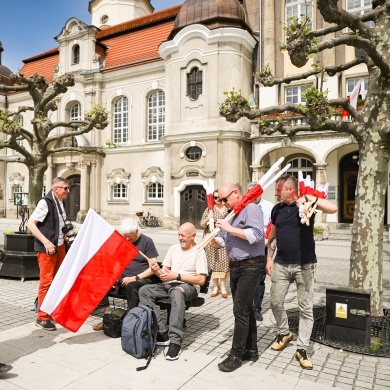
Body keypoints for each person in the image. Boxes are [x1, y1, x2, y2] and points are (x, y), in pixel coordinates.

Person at [267, 174, 337, 370]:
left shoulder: (307, 206)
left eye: (279, 189)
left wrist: (310, 198)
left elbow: (333, 208)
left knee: (305, 308)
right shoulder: (277, 209)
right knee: (274, 301)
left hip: (305, 265)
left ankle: (302, 348)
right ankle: (284, 332)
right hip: (281, 263)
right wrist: (268, 258)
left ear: (290, 189)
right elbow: (272, 236)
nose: (276, 193)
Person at [211, 182, 265, 372]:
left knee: (240, 311)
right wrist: (216, 241)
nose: (222, 202)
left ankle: (236, 354)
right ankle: (251, 349)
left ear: (236, 193)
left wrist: (228, 227)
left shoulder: (251, 208)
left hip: (251, 265)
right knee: (246, 310)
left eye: (225, 199)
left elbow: (257, 235)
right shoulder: (230, 214)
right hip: (236, 266)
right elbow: (227, 239)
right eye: (219, 199)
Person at [139, 222, 208, 361]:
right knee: (144, 290)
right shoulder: (173, 248)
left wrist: (177, 276)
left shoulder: (199, 252)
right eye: (178, 235)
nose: (180, 238)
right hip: (170, 284)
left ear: (193, 236)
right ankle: (162, 333)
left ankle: (175, 341)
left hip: (188, 286)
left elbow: (201, 280)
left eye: (183, 235)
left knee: (177, 292)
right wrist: (155, 270)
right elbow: (163, 274)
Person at [92, 218, 160, 330]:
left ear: (137, 231)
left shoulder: (147, 241)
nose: (127, 239)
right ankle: (108, 317)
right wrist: (115, 275)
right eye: (125, 236)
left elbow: (153, 268)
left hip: (141, 279)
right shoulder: (122, 242)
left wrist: (135, 278)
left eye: (130, 236)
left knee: (131, 286)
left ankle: (130, 322)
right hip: (123, 278)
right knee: (100, 278)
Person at [27, 177, 71, 331]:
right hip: (48, 249)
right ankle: (42, 317)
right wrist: (46, 242)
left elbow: (58, 225)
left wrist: (65, 236)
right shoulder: (45, 202)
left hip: (60, 247)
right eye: (65, 188)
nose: (68, 191)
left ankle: (51, 310)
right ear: (56, 189)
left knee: (58, 281)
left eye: (68, 188)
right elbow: (30, 224)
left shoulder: (61, 202)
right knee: (46, 283)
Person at [247, 182, 274, 322]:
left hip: (262, 246)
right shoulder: (243, 206)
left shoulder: (269, 207)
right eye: (250, 193)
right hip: (247, 246)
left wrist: (268, 241)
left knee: (259, 278)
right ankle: (246, 306)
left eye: (255, 193)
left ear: (260, 193)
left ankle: (256, 308)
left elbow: (272, 228)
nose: (252, 196)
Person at [200, 189, 229, 298]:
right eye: (215, 197)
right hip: (211, 239)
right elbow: (202, 225)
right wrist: (208, 217)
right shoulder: (210, 209)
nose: (218, 199)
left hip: (224, 238)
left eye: (219, 197)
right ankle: (216, 286)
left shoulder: (228, 208)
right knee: (213, 262)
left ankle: (223, 285)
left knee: (224, 262)